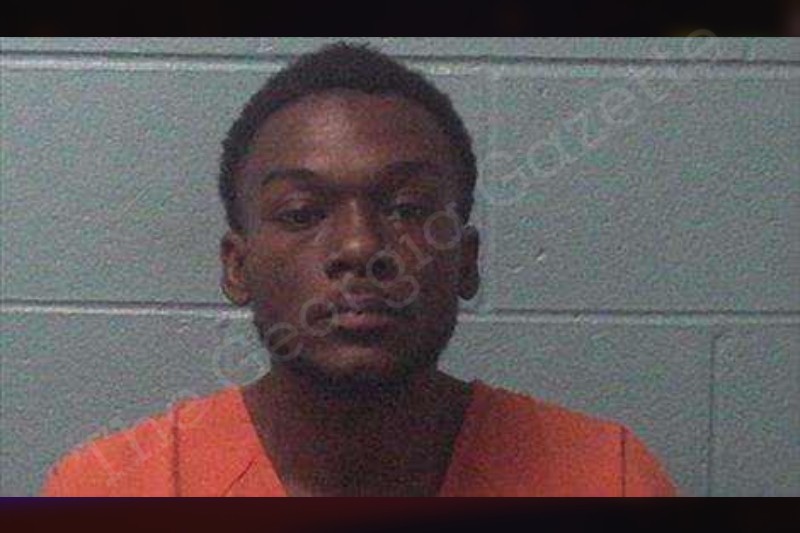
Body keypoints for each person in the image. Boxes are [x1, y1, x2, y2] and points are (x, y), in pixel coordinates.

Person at [41, 42, 676, 497]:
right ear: (237, 266)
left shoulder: (607, 479)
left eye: (408, 208)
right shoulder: (113, 491)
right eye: (302, 212)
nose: (359, 245)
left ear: (466, 261)